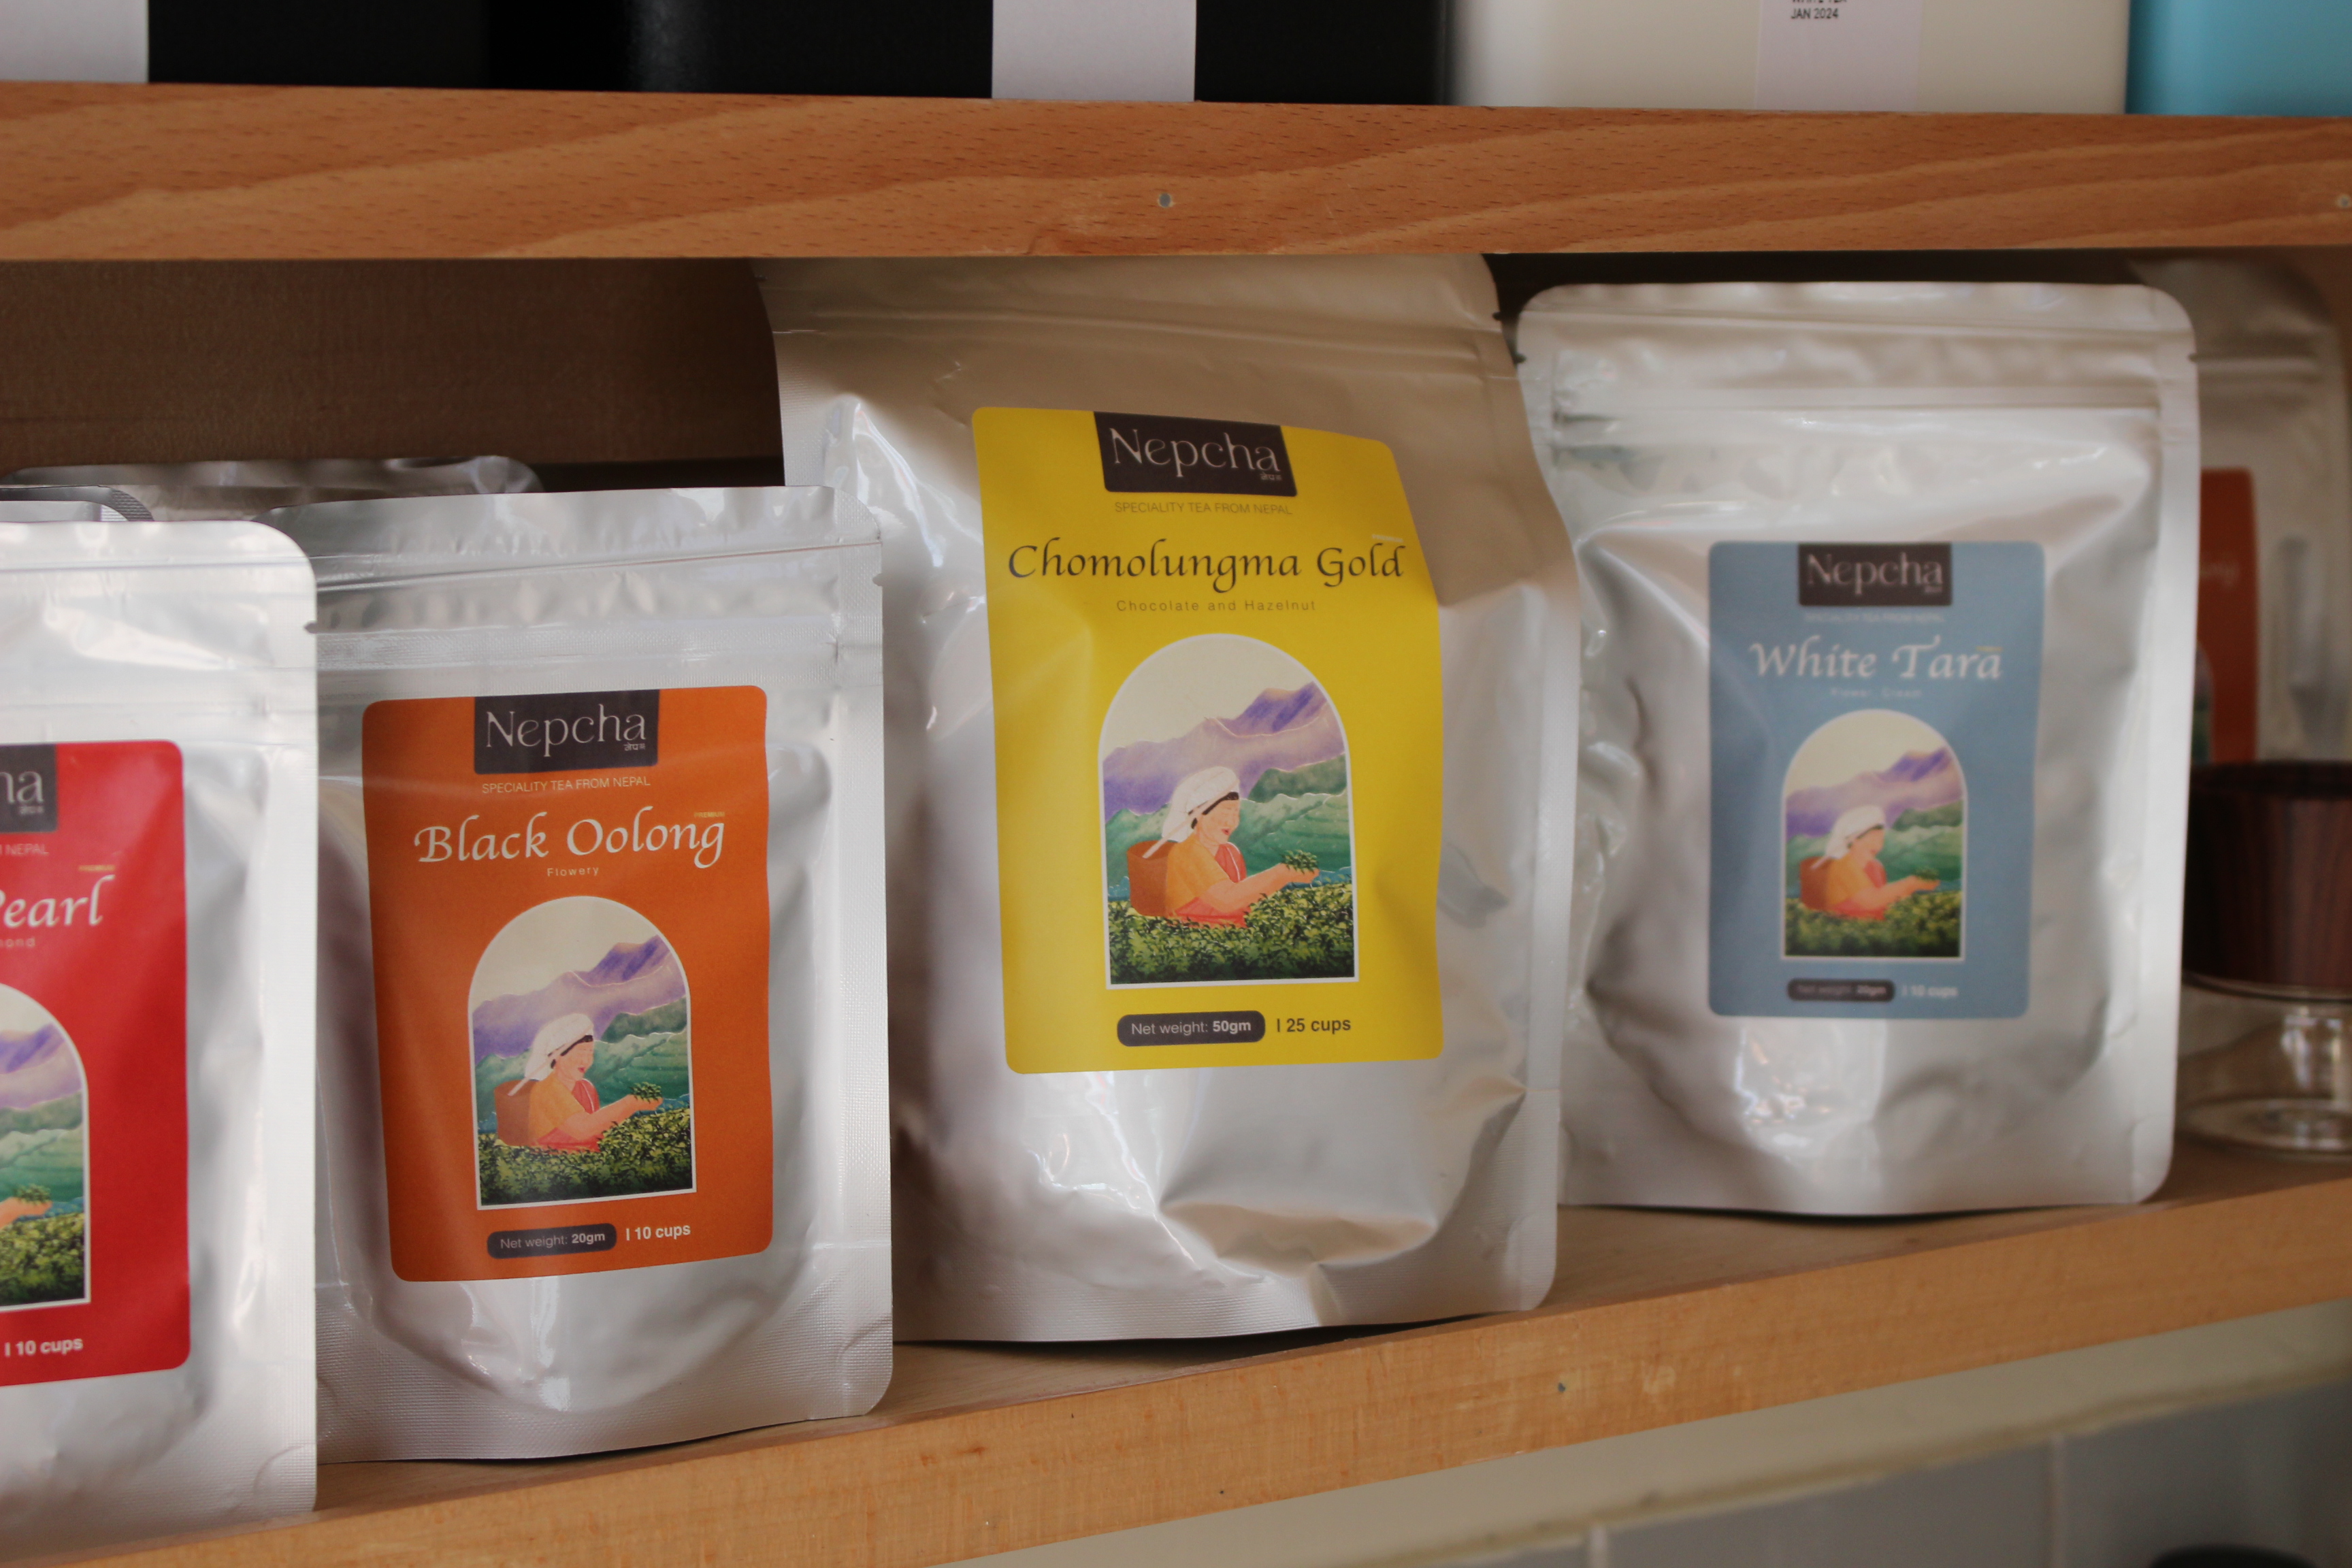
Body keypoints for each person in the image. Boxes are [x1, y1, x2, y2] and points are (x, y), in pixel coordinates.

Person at [1152, 765, 1314, 926]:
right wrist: (1284, 872)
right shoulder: (1187, 852)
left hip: (1234, 931)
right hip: (1193, 933)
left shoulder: (1231, 852)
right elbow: (1227, 900)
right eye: (1225, 811)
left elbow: (1243, 900)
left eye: (1236, 813)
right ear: (1199, 813)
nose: (1231, 822)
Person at [516, 1013, 653, 1152]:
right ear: (557, 1055)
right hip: (553, 1159)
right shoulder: (547, 1089)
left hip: (589, 1157)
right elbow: (582, 1129)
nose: (586, 1061)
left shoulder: (586, 1088)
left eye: (590, 1053)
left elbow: (597, 1130)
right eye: (581, 1053)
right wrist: (631, 1103)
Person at [1810, 804, 1939, 921]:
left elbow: (1886, 900)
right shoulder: (1844, 865)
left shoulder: (1876, 867)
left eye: (1881, 840)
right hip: (1845, 928)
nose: (1878, 846)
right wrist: (1911, 883)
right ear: (1854, 840)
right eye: (1872, 839)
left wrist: (1914, 887)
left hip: (1875, 927)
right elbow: (1870, 901)